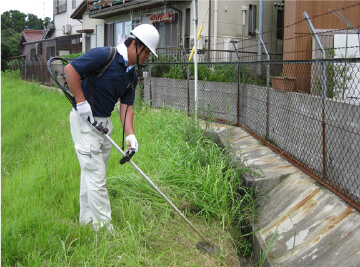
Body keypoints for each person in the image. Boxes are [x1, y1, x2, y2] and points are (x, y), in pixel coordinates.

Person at [64, 24, 160, 232]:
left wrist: (131, 135)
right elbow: (70, 70)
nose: (147, 58)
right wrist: (81, 102)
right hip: (85, 122)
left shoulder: (131, 75)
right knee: (96, 176)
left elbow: (126, 108)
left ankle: (86, 220)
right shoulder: (104, 56)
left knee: (91, 174)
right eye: (147, 53)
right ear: (135, 45)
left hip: (104, 124)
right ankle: (105, 230)